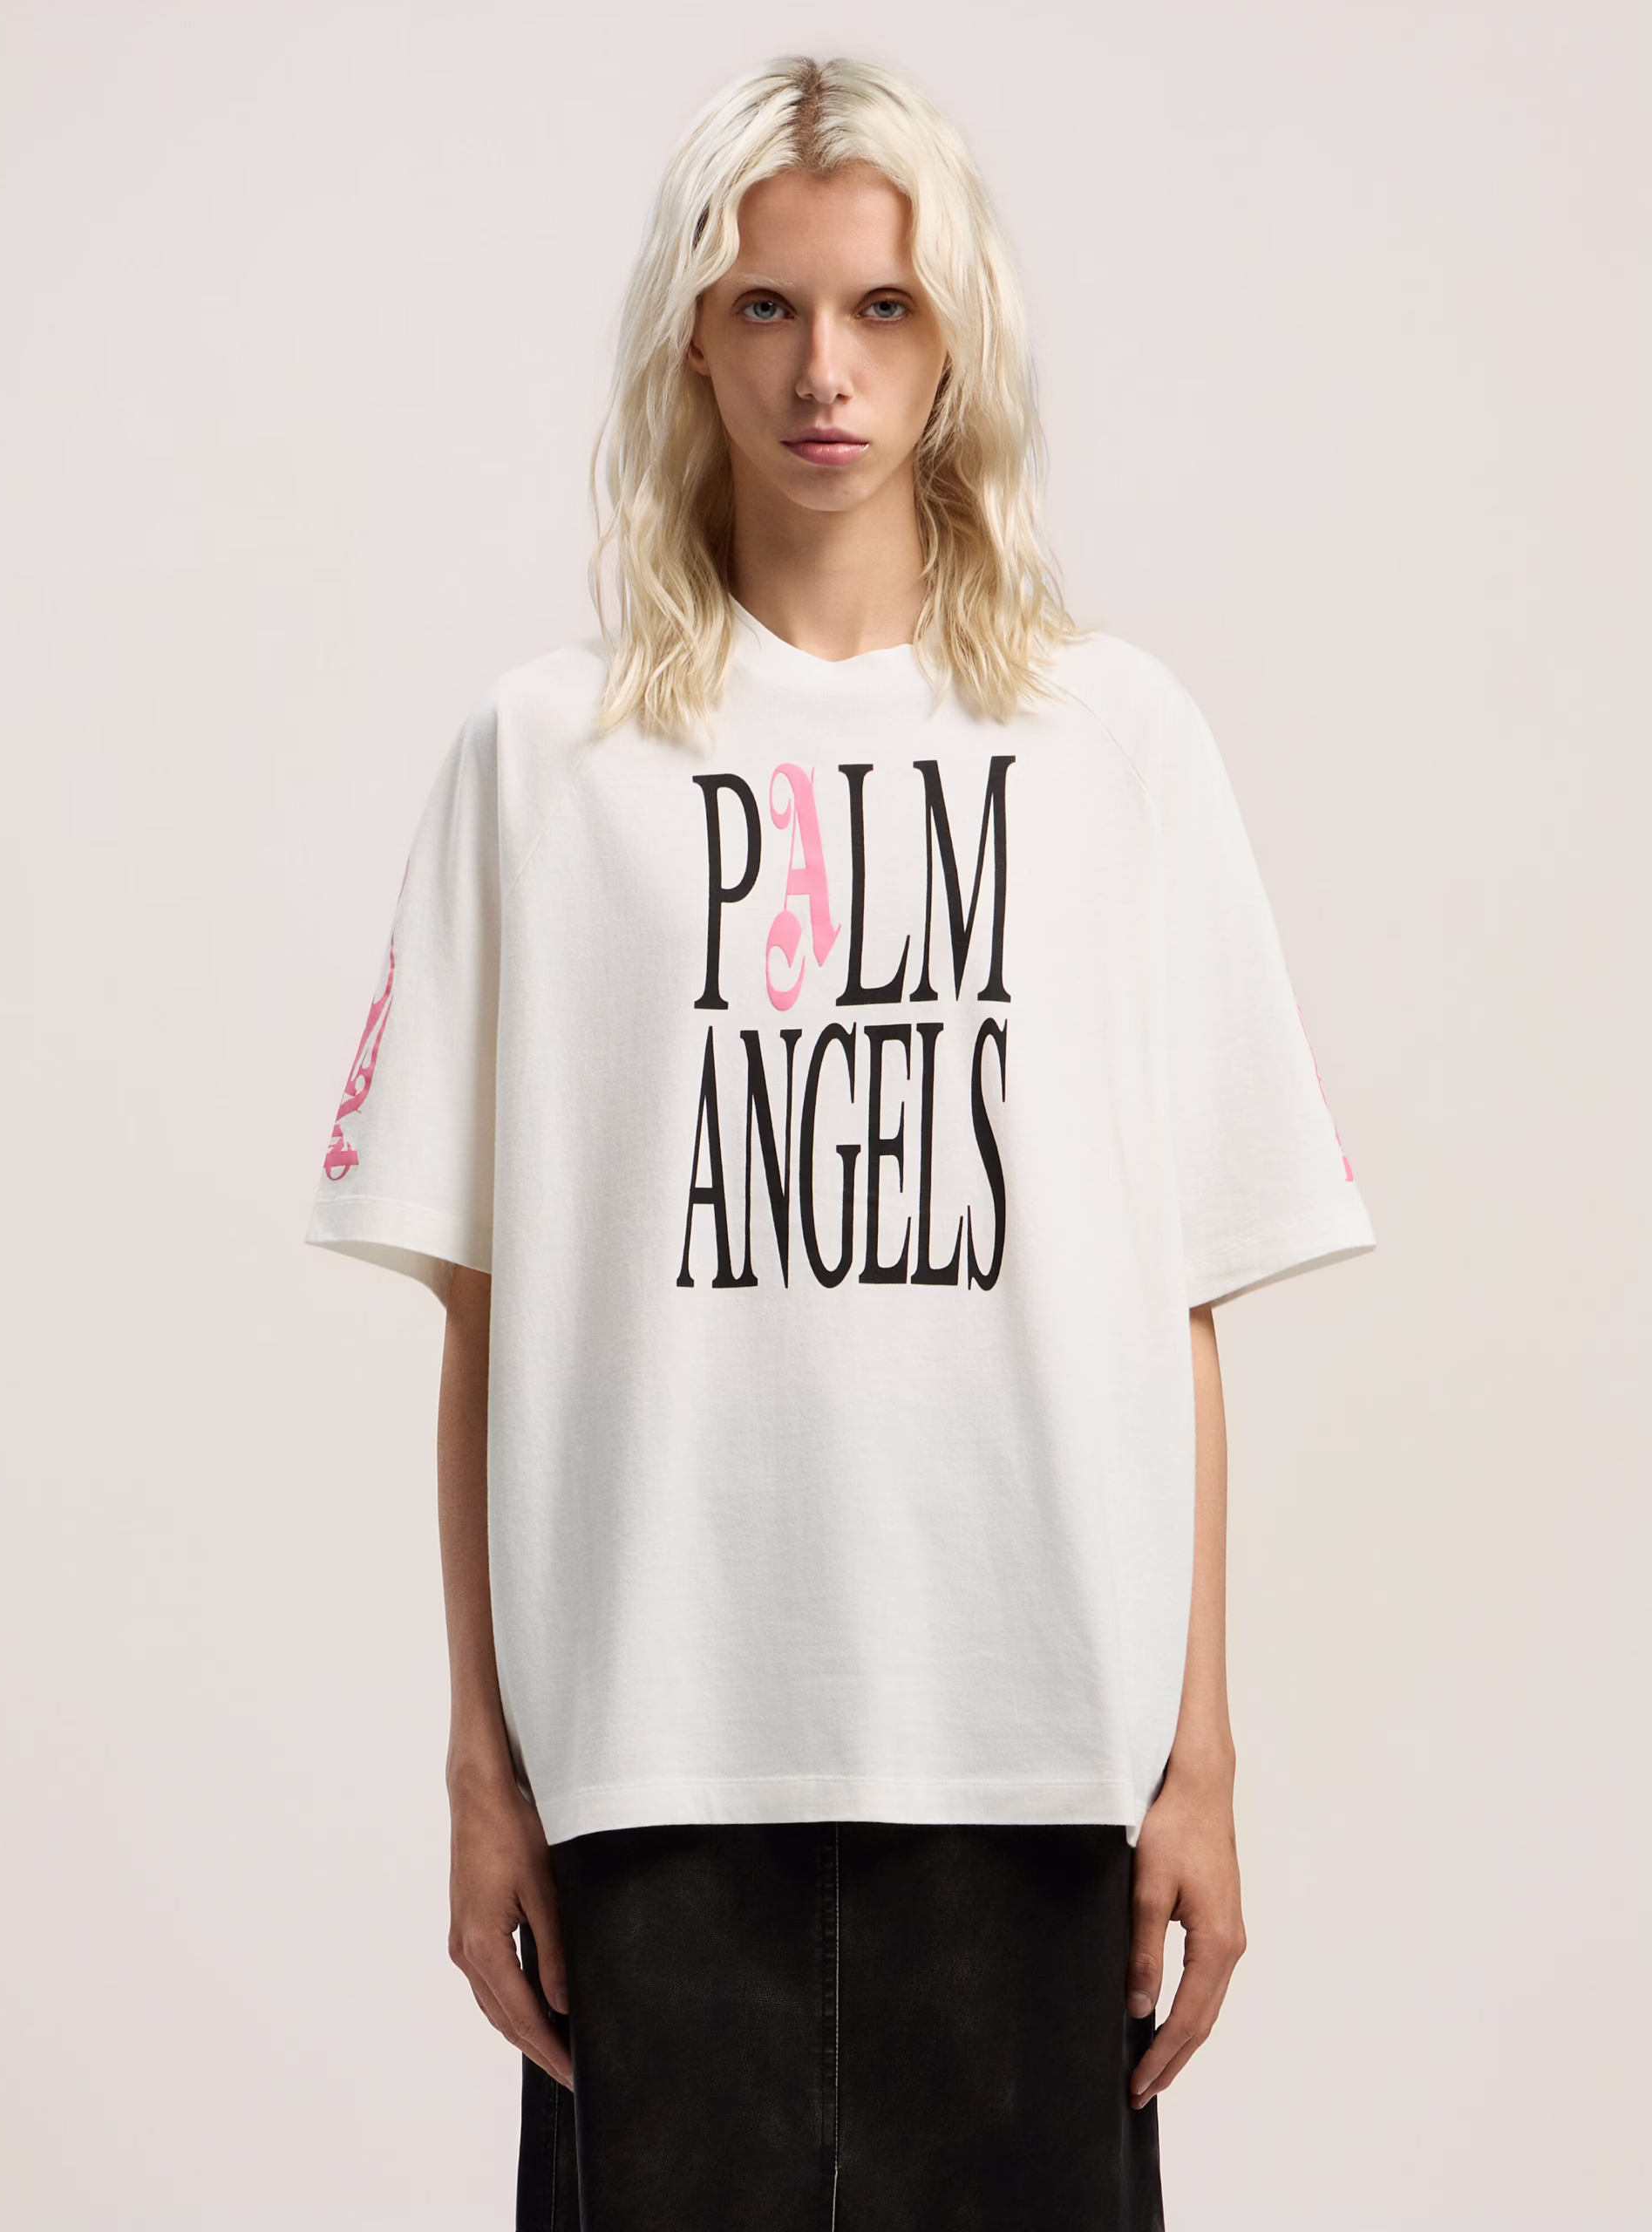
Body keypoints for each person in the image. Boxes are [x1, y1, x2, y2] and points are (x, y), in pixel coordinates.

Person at [306, 55, 1374, 2232]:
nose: (826, 371)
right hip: (652, 1764)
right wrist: (483, 1766)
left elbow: (1173, 1303)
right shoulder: (544, 761)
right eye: (769, 307)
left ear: (954, 339)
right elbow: (486, 1306)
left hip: (1033, 1751)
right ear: (692, 342)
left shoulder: (1112, 746)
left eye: (883, 307)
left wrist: (1202, 1755)